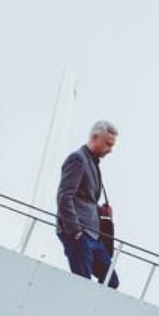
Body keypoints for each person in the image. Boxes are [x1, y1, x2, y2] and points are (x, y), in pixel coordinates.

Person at [55, 120, 120, 289]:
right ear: (94, 137)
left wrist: (101, 211)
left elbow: (84, 198)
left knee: (111, 281)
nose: (110, 150)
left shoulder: (92, 162)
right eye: (107, 144)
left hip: (93, 235)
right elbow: (64, 196)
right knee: (82, 283)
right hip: (79, 233)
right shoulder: (78, 159)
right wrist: (75, 231)